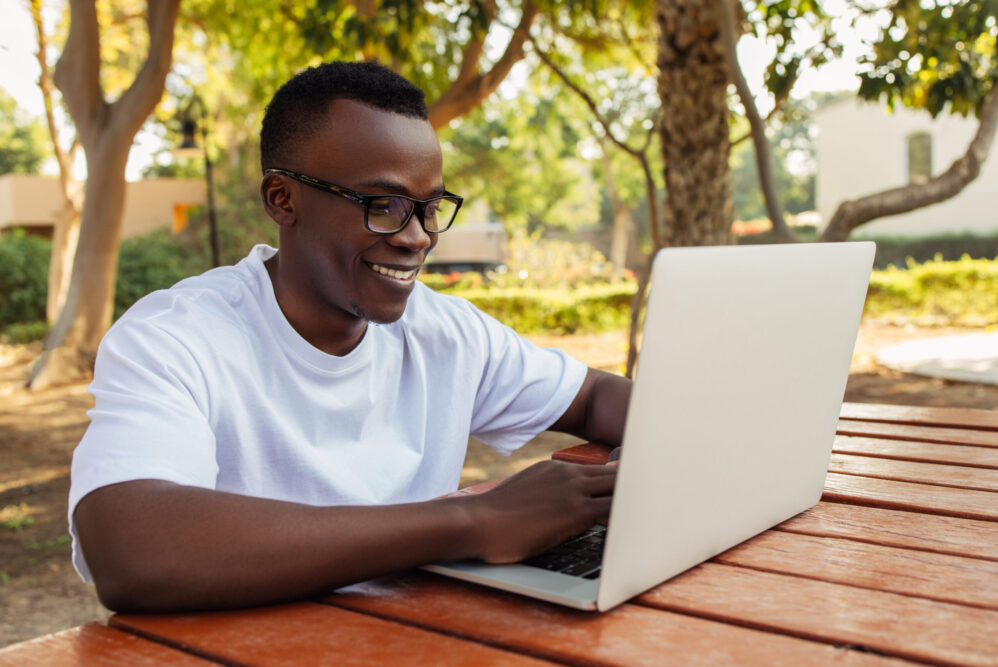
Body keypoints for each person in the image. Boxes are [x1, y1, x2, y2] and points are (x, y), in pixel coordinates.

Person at [69, 61, 631, 613]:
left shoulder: (446, 333)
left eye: (429, 208)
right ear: (281, 200)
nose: (416, 238)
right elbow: (130, 548)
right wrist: (473, 521)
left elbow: (596, 397)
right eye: (381, 205)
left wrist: (683, 437)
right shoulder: (175, 339)